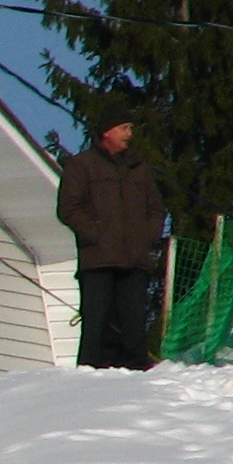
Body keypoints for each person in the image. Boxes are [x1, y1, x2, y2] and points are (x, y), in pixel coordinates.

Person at [57, 111, 165, 369]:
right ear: (107, 131)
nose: (130, 134)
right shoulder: (82, 165)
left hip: (134, 261)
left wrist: (148, 236)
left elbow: (156, 208)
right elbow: (68, 208)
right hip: (98, 260)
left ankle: (136, 374)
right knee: (95, 324)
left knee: (134, 325)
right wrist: (95, 236)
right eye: (124, 127)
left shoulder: (140, 169)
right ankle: (89, 376)